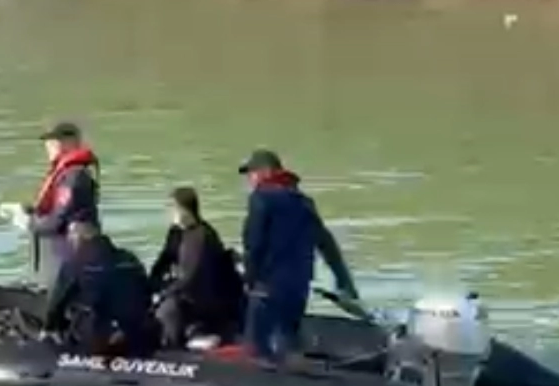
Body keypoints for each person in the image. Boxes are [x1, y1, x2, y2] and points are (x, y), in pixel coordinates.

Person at [237, 148, 360, 361]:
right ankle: (295, 372)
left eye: (252, 173)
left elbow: (254, 244)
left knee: (256, 348)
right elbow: (325, 243)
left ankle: (263, 373)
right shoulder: (304, 202)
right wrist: (343, 280)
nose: (250, 179)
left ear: (266, 171)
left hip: (267, 287)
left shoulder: (261, 198)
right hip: (298, 286)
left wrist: (249, 279)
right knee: (287, 338)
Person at [2, 121, 102, 290]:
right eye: (48, 142)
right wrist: (26, 211)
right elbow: (55, 211)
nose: (50, 146)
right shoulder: (64, 174)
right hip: (56, 262)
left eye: (57, 140)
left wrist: (27, 222)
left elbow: (56, 222)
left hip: (67, 262)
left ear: (74, 141)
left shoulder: (74, 177)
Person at [42, 216, 157, 356]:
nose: (70, 239)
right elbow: (146, 294)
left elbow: (57, 303)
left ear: (80, 235)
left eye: (71, 234)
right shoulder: (131, 259)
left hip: (97, 340)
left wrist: (48, 329)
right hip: (137, 335)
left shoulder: (75, 262)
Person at [148, 186, 245, 348]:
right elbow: (164, 261)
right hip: (186, 292)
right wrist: (150, 286)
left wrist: (163, 295)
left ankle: (174, 345)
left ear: (185, 210)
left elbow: (190, 277)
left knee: (168, 309)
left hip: (203, 299)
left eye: (173, 209)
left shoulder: (201, 236)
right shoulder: (176, 232)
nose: (170, 214)